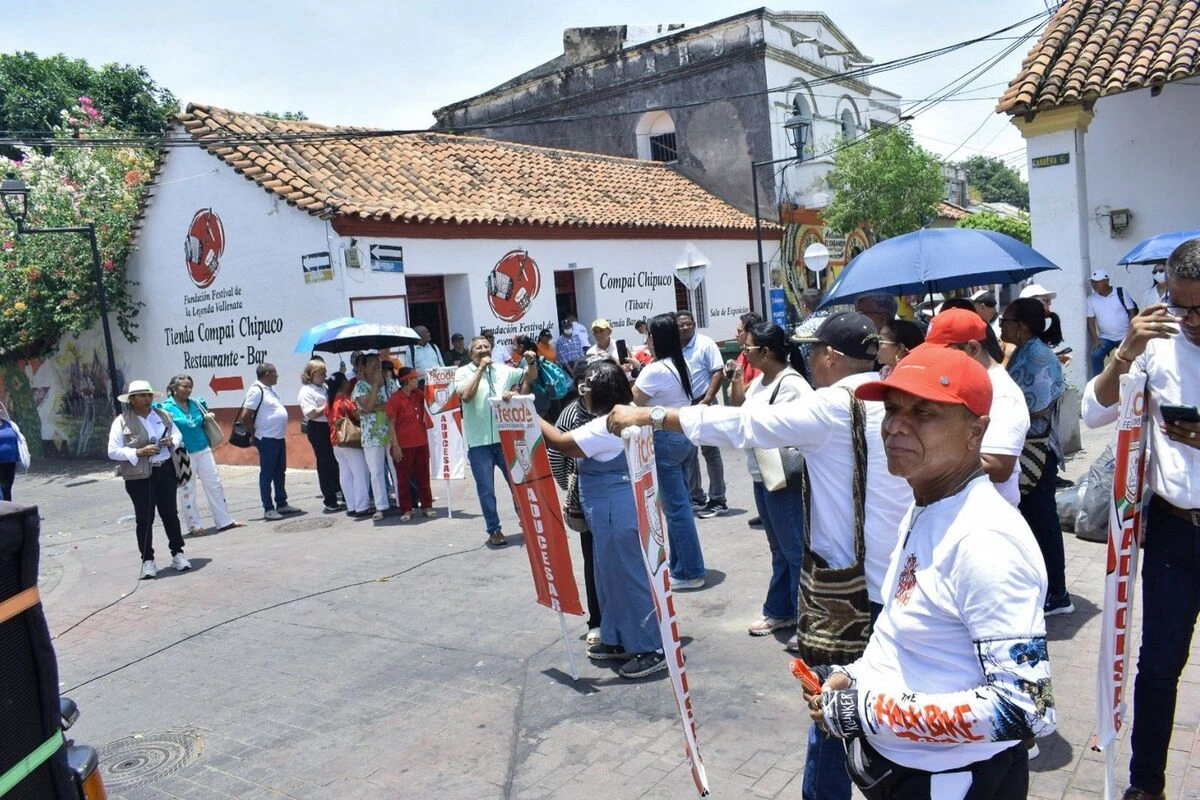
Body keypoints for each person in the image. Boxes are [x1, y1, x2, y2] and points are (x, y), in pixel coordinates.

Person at [610, 312, 913, 800]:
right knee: (891, 712)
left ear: (831, 357)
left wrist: (648, 415)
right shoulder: (894, 396)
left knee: (831, 717)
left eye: (812, 351)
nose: (808, 360)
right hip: (901, 583)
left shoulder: (833, 405)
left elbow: (740, 425)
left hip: (848, 593)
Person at [805, 345, 1055, 797]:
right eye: (892, 408)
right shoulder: (924, 502)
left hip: (954, 783)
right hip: (911, 773)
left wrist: (868, 711)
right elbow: (908, 635)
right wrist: (855, 676)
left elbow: (1026, 708)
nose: (896, 425)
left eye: (923, 412)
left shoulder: (984, 541)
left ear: (975, 432)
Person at [1082, 237, 1200, 800]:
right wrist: (1125, 350)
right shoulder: (1159, 344)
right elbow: (1096, 409)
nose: (1191, 319)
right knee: (1157, 667)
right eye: (1180, 305)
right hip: (1176, 532)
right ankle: (1146, 785)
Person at [539, 360, 666, 679]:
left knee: (627, 578)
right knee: (609, 578)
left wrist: (531, 415)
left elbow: (560, 443)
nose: (582, 396)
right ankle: (617, 636)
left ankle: (650, 647)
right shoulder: (628, 413)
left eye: (586, 390)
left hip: (614, 509)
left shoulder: (609, 424)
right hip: (614, 509)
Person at [727, 322, 812, 636]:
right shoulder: (762, 380)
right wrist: (736, 378)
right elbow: (738, 409)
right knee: (779, 548)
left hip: (782, 473)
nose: (744, 352)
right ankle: (780, 610)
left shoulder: (791, 384)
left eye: (749, 348)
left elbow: (801, 428)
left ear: (766, 351)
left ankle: (805, 621)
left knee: (793, 549)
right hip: (761, 472)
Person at [1000, 298, 1071, 616]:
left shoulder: (1039, 355)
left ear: (1022, 325)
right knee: (1033, 519)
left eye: (1006, 320)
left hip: (1038, 450)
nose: (1001, 326)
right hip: (1027, 447)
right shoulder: (1024, 352)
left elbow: (1039, 404)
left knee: (1043, 521)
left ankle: (1058, 593)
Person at [631, 313, 706, 590]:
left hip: (665, 441)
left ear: (656, 338)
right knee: (680, 506)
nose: (646, 341)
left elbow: (633, 402)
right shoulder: (680, 361)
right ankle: (681, 566)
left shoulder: (655, 369)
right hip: (683, 437)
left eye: (648, 336)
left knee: (676, 510)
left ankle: (691, 571)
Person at [925, 309, 1030, 508]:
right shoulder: (961, 383)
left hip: (989, 518)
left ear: (972, 349)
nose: (937, 361)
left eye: (944, 354)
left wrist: (927, 459)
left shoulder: (1003, 394)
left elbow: (998, 466)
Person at [455, 335, 537, 546]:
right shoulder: (463, 372)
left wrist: (531, 362)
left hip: (505, 440)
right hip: (478, 442)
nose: (483, 350)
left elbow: (529, 378)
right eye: (478, 348)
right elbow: (466, 396)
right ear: (470, 352)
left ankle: (526, 523)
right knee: (486, 489)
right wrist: (481, 369)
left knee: (516, 484)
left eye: (486, 347)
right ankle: (494, 529)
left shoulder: (503, 370)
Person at [107, 380, 192, 579]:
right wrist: (138, 451)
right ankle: (148, 560)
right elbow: (112, 451)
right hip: (140, 476)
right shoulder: (122, 421)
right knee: (145, 518)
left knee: (170, 514)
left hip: (165, 470)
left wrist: (171, 441)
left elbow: (178, 435)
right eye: (142, 396)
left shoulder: (163, 416)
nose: (147, 399)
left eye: (149, 395)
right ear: (131, 400)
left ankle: (178, 553)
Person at [549, 360, 603, 645]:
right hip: (586, 503)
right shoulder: (570, 415)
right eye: (585, 382)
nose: (589, 389)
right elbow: (557, 455)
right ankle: (597, 620)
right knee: (592, 561)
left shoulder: (616, 410)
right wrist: (570, 489)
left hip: (618, 502)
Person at [157, 374, 245, 534]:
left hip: (203, 448)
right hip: (183, 452)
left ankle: (224, 520)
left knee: (214, 484)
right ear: (174, 388)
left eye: (190, 386)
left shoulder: (196, 403)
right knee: (187, 488)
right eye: (184, 386)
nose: (188, 390)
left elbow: (202, 422)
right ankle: (194, 526)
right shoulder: (166, 407)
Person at [676, 310, 727, 518]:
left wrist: (706, 400)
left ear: (695, 324)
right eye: (681, 325)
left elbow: (718, 371)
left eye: (688, 324)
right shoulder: (674, 347)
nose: (685, 327)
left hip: (704, 403)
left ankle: (718, 499)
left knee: (710, 452)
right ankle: (696, 497)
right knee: (690, 454)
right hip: (684, 406)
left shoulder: (705, 343)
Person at [238, 363, 299, 521]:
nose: (277, 376)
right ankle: (268, 508)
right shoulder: (256, 390)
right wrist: (255, 432)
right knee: (267, 474)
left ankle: (282, 503)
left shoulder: (270, 389)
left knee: (280, 471)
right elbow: (246, 415)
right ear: (267, 374)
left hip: (278, 437)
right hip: (266, 438)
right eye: (275, 373)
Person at [354, 354, 400, 521]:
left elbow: (396, 404)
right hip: (372, 435)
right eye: (372, 363)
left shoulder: (390, 383)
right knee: (376, 471)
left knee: (396, 467)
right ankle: (381, 505)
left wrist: (375, 408)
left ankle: (403, 502)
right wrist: (375, 385)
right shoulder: (360, 386)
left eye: (378, 363)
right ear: (364, 368)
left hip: (391, 431)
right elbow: (367, 406)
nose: (376, 366)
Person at [386, 366, 436, 521]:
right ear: (407, 381)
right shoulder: (395, 399)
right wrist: (395, 446)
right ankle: (406, 508)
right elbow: (391, 424)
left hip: (421, 442)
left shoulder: (418, 395)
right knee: (403, 479)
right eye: (414, 378)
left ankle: (427, 505)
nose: (417, 380)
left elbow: (432, 396)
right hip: (404, 445)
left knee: (423, 477)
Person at [298, 359, 343, 513]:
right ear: (311, 375)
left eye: (324, 373)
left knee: (334, 460)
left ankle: (338, 490)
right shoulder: (306, 391)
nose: (324, 377)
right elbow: (311, 413)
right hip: (318, 427)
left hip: (329, 425)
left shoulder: (323, 387)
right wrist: (327, 405)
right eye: (320, 374)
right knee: (325, 462)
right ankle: (329, 498)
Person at [327, 373, 371, 518]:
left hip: (335, 441)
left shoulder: (329, 401)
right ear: (343, 383)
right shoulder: (344, 400)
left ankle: (351, 505)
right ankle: (362, 506)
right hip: (349, 440)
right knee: (360, 473)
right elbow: (357, 414)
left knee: (345, 473)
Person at [1087, 269, 1138, 376]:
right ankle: (1098, 384)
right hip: (1106, 337)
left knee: (1131, 358)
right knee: (1096, 355)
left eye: (1097, 281)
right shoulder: (1091, 299)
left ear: (1106, 280)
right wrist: (1095, 340)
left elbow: (1132, 312)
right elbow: (1090, 320)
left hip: (1125, 335)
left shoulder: (1121, 292)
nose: (1094, 284)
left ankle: (1132, 382)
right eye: (1092, 282)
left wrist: (1131, 333)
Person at [725, 312, 763, 388]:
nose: (736, 335)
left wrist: (738, 390)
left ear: (750, 333)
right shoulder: (742, 354)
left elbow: (758, 382)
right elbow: (731, 388)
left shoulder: (759, 356)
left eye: (739, 331)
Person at [0, 400, 20, 501]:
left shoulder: (10, 425)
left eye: (0, 408)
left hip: (11, 461)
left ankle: (7, 508)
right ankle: (6, 509)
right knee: (4, 486)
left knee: (9, 485)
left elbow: (18, 440)